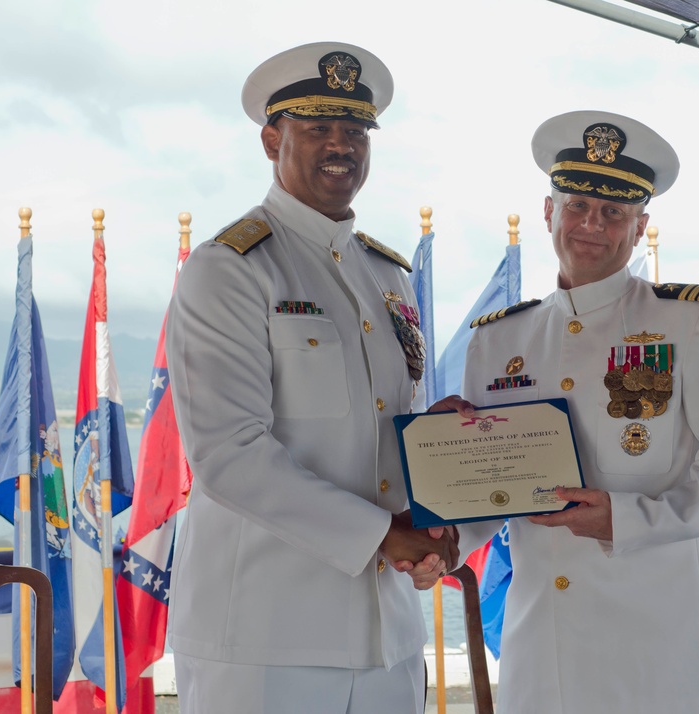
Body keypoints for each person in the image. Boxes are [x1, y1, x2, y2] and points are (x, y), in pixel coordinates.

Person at [410, 110, 699, 713]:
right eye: (578, 204)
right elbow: (493, 487)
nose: (592, 224)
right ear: (549, 212)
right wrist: (443, 539)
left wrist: (625, 519)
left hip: (658, 652)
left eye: (614, 213)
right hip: (541, 652)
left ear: (639, 228)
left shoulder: (691, 322)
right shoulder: (500, 340)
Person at [165, 42, 462, 714]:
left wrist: (440, 462)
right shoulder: (232, 268)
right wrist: (387, 537)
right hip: (268, 636)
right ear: (273, 139)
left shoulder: (386, 274)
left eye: (356, 131)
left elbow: (378, 435)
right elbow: (229, 455)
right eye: (319, 128)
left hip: (386, 634)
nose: (342, 146)